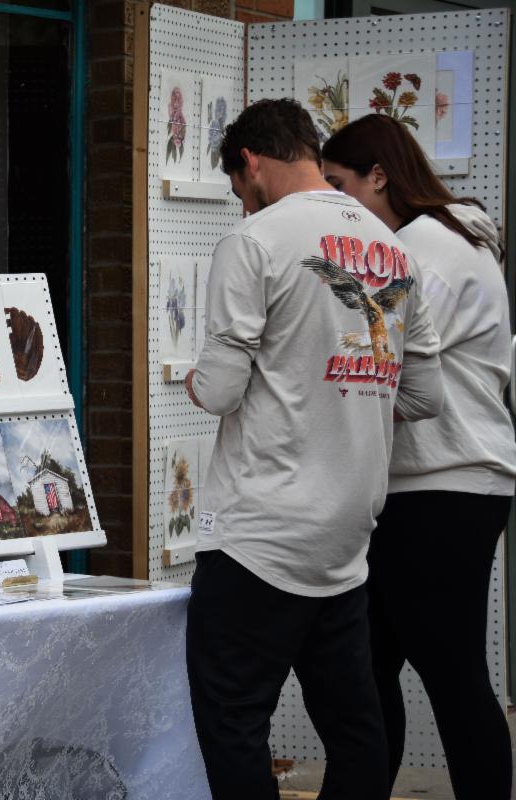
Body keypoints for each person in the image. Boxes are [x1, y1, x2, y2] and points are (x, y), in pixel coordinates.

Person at [183, 98, 444, 800]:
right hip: (347, 534)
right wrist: (348, 393)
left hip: (261, 532)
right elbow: (423, 396)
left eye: (240, 191)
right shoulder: (395, 248)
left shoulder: (256, 242)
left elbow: (221, 389)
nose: (243, 206)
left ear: (250, 162)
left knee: (234, 720)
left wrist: (194, 380)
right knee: (355, 727)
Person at [322, 114, 515, 799]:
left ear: (380, 176)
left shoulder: (424, 246)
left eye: (342, 186)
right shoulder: (450, 239)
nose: (339, 206)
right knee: (374, 677)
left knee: (448, 678)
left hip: (440, 484)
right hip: (442, 483)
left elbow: (384, 361)